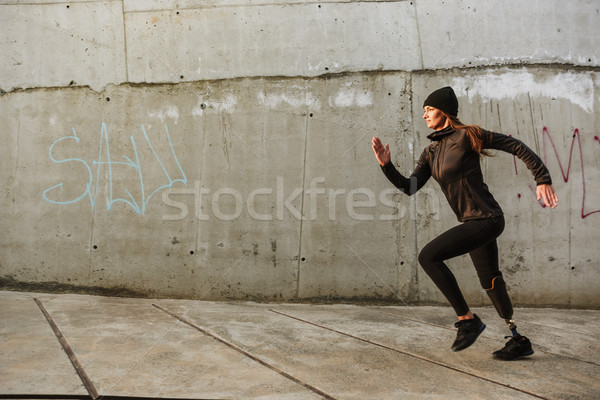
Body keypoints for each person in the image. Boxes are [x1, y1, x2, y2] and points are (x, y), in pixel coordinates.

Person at [371, 86, 558, 360]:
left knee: (428, 256)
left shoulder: (468, 136)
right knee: (491, 280)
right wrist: (386, 165)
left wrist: (542, 178)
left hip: (487, 218)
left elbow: (515, 145)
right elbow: (409, 187)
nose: (424, 115)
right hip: (474, 222)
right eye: (423, 110)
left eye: (430, 109)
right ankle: (518, 340)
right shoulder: (430, 152)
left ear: (445, 112)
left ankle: (467, 320)